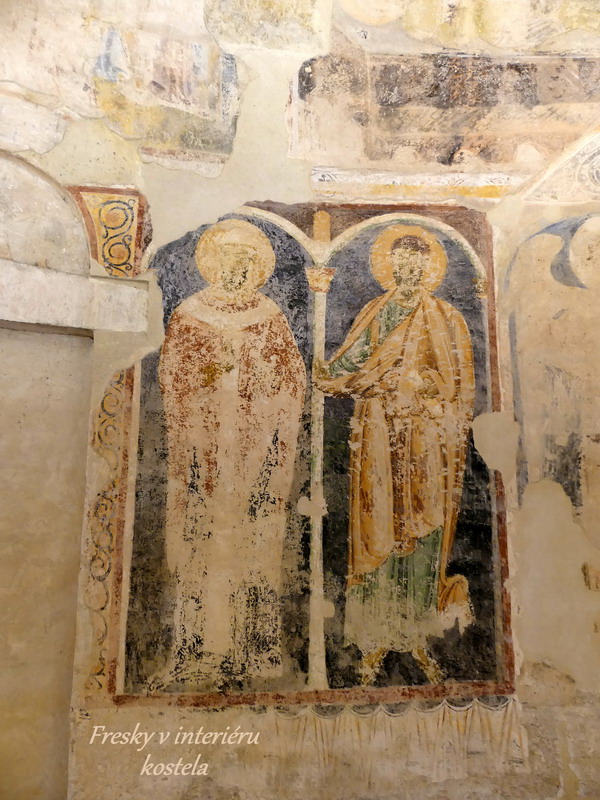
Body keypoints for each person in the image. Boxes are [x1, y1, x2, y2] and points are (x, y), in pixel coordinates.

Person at [315, 224, 475, 684]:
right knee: (377, 523)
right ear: (389, 266)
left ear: (430, 268)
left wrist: (423, 386)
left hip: (425, 438)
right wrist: (330, 373)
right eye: (401, 262)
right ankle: (374, 638)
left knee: (423, 528)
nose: (409, 269)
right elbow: (350, 364)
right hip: (379, 434)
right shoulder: (376, 311)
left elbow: (459, 386)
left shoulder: (447, 318)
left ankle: (417, 634)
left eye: (418, 263)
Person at [157, 218, 306, 689]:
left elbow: (292, 381)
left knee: (252, 543)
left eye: (245, 261)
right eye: (229, 259)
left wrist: (256, 379)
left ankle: (251, 651)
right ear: (213, 264)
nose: (236, 269)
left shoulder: (269, 315)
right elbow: (172, 379)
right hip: (202, 454)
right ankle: (195, 651)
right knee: (199, 542)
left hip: (253, 453)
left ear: (256, 267)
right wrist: (209, 379)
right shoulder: (189, 314)